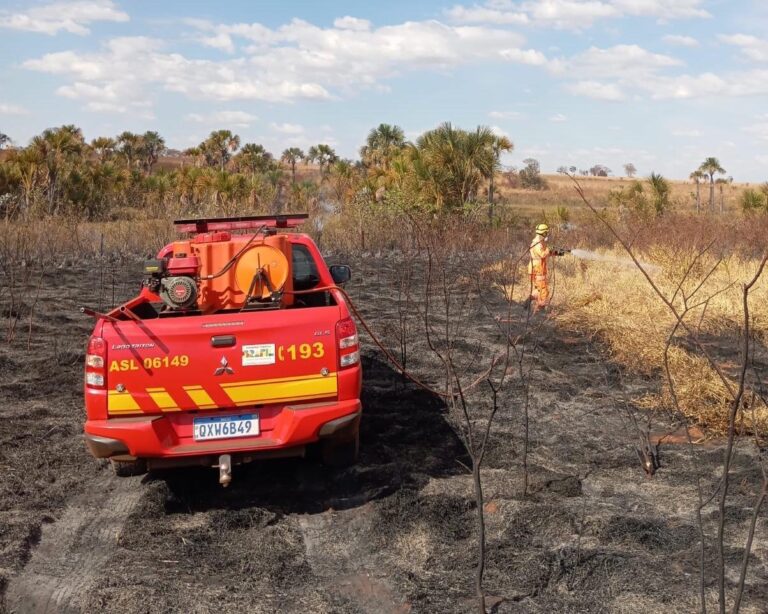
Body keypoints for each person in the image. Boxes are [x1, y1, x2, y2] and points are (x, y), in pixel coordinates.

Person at [527, 223, 563, 313]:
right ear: (543, 233)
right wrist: (549, 249)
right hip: (538, 268)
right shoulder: (537, 243)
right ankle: (540, 311)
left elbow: (545, 253)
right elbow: (543, 254)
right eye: (546, 233)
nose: (547, 235)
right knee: (543, 290)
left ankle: (527, 302)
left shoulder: (540, 242)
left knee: (538, 289)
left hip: (535, 267)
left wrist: (556, 253)